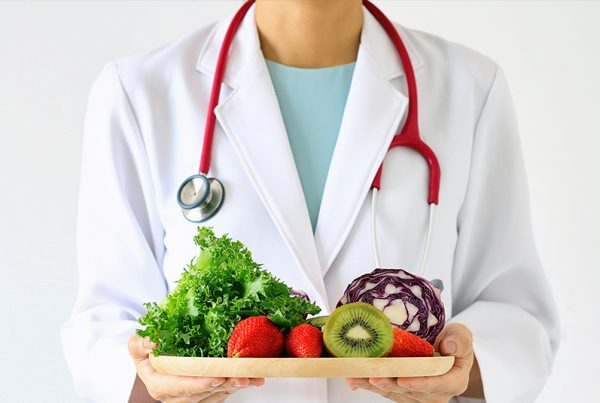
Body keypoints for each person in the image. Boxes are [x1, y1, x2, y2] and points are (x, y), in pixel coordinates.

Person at [60, 0, 560, 402]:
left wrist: (467, 366)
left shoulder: (470, 88)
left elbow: (514, 310)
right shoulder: (139, 92)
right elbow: (107, 320)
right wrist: (153, 379)